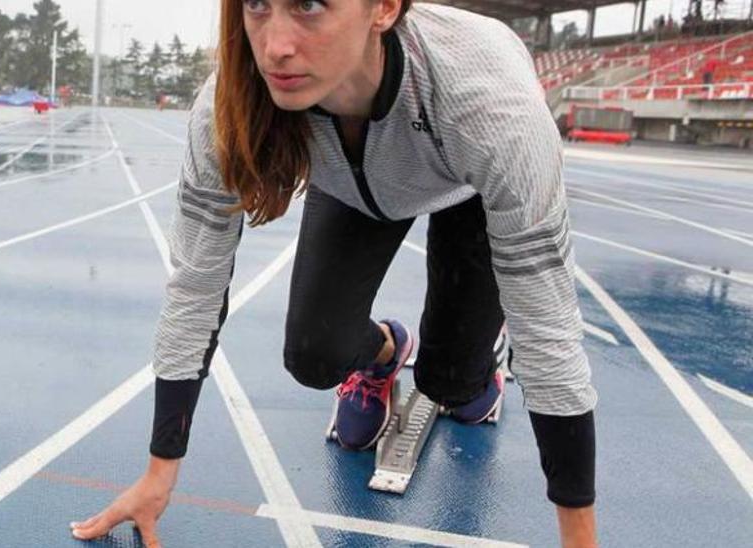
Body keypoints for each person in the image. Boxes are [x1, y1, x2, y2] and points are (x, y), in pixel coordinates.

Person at [71, 1, 598, 547]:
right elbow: (194, 286)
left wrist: (579, 538)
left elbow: (549, 328)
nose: (275, 45)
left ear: (385, 9)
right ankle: (388, 352)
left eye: (309, 5)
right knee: (313, 354)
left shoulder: (491, 106)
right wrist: (160, 472)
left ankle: (481, 356)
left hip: (468, 184)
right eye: (257, 4)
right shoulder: (232, 102)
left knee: (452, 386)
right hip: (353, 186)